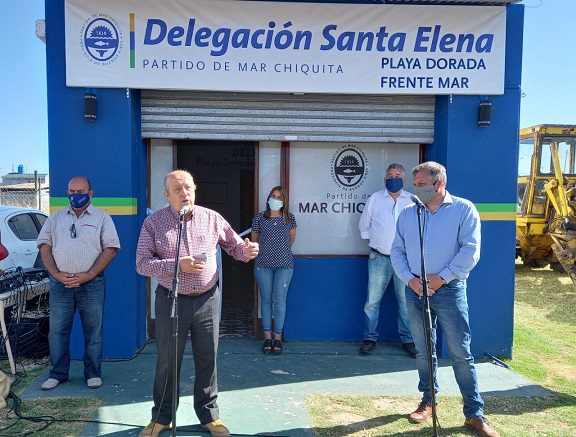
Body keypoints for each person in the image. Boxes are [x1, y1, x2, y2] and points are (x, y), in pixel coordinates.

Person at [136, 170, 259, 437]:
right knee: (168, 361)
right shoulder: (153, 224)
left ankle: (209, 415)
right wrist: (177, 265)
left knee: (208, 358)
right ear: (166, 195)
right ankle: (161, 416)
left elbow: (234, 246)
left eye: (188, 188)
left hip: (206, 299)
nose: (184, 193)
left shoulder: (212, 218)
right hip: (171, 298)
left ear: (195, 190)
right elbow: (142, 264)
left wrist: (246, 251)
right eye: (177, 189)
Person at [390, 162, 499, 437]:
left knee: (461, 354)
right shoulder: (408, 214)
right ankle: (429, 402)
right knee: (424, 351)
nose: (416, 190)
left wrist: (441, 278)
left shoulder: (464, 210)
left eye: (422, 185)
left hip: (449, 290)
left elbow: (470, 252)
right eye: (415, 185)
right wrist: (410, 280)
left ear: (439, 184)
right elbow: (397, 251)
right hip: (414, 291)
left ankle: (474, 414)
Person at [37, 176, 120, 391]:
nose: (75, 195)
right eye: (71, 191)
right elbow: (44, 246)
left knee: (93, 330)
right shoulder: (54, 219)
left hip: (91, 285)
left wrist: (90, 274)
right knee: (57, 331)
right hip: (60, 284)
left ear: (90, 193)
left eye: (80, 191)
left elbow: (110, 248)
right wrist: (56, 274)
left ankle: (93, 373)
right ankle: (58, 373)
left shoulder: (102, 218)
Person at [358, 163, 416, 357]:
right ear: (385, 179)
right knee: (372, 301)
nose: (393, 178)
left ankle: (408, 340)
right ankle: (369, 338)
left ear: (404, 180)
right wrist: (378, 241)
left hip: (405, 261)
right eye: (390, 175)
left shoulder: (412, 200)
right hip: (378, 257)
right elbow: (364, 226)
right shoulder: (375, 199)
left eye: (398, 175)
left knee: (406, 303)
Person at [251, 186, 297, 354]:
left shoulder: (289, 218)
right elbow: (254, 239)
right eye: (273, 196)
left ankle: (278, 338)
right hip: (263, 264)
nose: (275, 199)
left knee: (279, 300)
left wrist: (279, 251)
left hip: (284, 265)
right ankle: (267, 337)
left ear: (284, 201)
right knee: (266, 299)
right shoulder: (259, 218)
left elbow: (291, 239)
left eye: (279, 197)